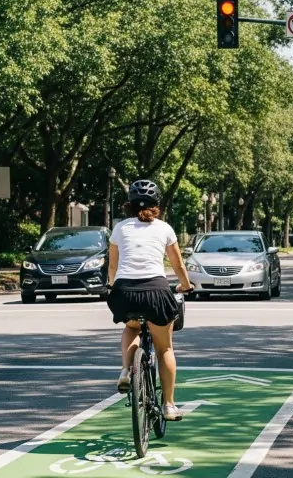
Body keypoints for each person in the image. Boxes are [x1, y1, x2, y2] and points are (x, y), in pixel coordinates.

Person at [107, 179, 193, 421]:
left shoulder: (119, 229)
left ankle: (126, 370)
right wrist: (186, 285)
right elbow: (177, 264)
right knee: (164, 347)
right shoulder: (165, 228)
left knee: (131, 327)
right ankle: (168, 405)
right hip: (156, 291)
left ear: (130, 205)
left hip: (125, 291)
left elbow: (112, 266)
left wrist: (111, 285)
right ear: (157, 205)